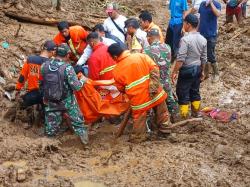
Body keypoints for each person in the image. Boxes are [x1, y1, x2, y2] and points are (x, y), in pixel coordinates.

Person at [108, 43, 170, 142]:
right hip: (155, 93)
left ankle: (138, 137)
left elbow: (121, 88)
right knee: (161, 112)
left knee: (139, 120)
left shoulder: (116, 71)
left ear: (115, 56)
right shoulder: (141, 56)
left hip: (139, 100)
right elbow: (154, 69)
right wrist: (153, 87)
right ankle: (165, 130)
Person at [41, 44, 88, 144]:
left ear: (54, 53)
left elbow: (41, 83)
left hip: (50, 101)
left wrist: (44, 96)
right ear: (67, 55)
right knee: (78, 123)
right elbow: (77, 87)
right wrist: (83, 81)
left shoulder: (44, 65)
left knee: (51, 127)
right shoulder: (67, 68)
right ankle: (85, 145)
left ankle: (47, 148)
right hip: (67, 101)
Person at [171, 14, 207, 118]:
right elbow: (204, 58)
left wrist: (174, 72)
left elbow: (181, 59)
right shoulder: (203, 39)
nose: (183, 25)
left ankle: (184, 116)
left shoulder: (185, 39)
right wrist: (202, 71)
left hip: (187, 69)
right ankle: (196, 113)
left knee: (182, 92)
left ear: (188, 24)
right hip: (198, 68)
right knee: (195, 91)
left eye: (184, 23)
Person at [144, 28, 179, 122]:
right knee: (170, 99)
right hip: (166, 79)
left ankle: (154, 121)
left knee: (152, 102)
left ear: (149, 38)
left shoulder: (146, 51)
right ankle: (176, 117)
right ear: (159, 37)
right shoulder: (167, 47)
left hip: (154, 82)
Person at [15, 40, 56, 108]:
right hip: (47, 96)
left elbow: (22, 77)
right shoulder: (53, 63)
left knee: (21, 104)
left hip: (32, 94)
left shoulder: (30, 59)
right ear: (52, 51)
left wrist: (17, 89)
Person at [199, 0, 221, 82]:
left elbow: (218, 14)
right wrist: (196, 31)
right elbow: (200, 19)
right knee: (203, 54)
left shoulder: (216, 4)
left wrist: (211, 3)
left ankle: (216, 73)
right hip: (202, 33)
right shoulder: (202, 4)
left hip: (211, 34)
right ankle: (206, 73)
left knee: (210, 53)